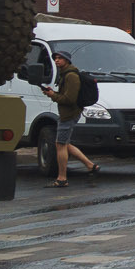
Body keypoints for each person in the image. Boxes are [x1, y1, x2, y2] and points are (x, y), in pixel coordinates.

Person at [41, 49, 100, 186]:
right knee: (65, 143)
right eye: (55, 58)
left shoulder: (71, 76)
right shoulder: (65, 74)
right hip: (66, 113)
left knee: (60, 144)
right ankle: (91, 166)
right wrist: (53, 92)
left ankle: (62, 178)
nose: (56, 60)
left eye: (60, 58)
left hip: (69, 114)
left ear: (67, 60)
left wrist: (52, 96)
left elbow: (69, 99)